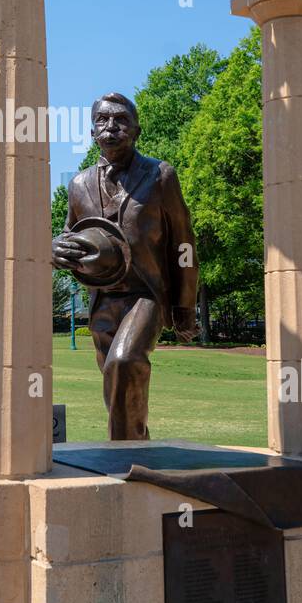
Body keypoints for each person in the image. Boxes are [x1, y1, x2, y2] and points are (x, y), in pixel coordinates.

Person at [52, 92, 198, 440]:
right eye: (102, 120)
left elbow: (184, 244)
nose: (111, 126)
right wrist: (54, 247)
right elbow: (70, 233)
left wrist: (185, 305)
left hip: (145, 295)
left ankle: (124, 454)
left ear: (136, 131)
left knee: (124, 361)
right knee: (115, 381)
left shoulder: (161, 176)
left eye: (121, 120)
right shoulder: (78, 185)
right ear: (91, 133)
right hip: (102, 299)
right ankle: (137, 442)